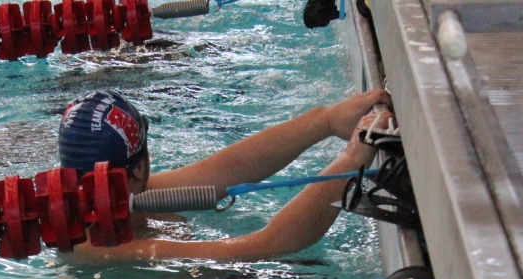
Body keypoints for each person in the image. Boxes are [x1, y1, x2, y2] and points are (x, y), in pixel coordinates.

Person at [54, 87, 394, 263]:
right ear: (139, 166)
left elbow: (226, 170)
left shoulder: (116, 198)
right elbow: (273, 244)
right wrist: (353, 157)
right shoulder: (110, 250)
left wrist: (326, 121)